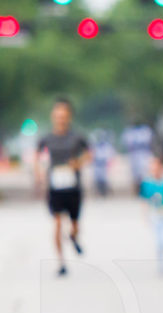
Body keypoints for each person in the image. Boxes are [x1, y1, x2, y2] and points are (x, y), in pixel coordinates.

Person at [35, 98, 90, 277]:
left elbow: (89, 153)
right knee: (57, 222)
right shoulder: (46, 138)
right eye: (58, 116)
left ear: (69, 117)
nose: (61, 119)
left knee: (74, 224)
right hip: (55, 186)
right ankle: (61, 263)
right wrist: (39, 174)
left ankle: (73, 236)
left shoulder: (77, 136)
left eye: (64, 116)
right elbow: (37, 157)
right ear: (53, 116)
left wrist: (79, 163)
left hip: (73, 186)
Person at [121, 120, 154, 196]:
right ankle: (136, 190)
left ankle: (145, 190)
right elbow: (127, 144)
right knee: (135, 174)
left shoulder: (145, 130)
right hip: (134, 154)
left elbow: (149, 142)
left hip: (143, 153)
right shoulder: (129, 131)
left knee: (144, 173)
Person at [91, 129, 115, 197]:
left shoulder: (107, 146)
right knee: (97, 180)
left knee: (105, 180)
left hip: (104, 165)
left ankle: (105, 192)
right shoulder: (94, 146)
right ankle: (99, 192)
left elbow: (110, 156)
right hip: (97, 164)